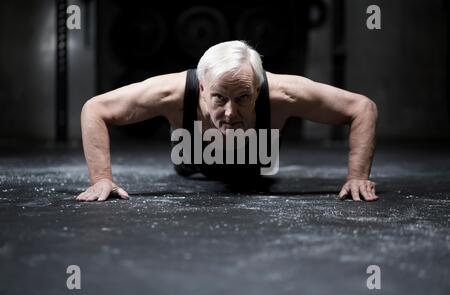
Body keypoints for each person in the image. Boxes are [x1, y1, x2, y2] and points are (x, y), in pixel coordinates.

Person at [76, 40, 378, 202]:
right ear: (203, 89)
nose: (231, 113)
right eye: (219, 98)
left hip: (256, 166)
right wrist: (101, 178)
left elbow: (362, 108)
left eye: (243, 98)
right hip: (192, 162)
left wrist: (357, 176)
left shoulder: (284, 94)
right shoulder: (172, 92)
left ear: (258, 90)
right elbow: (95, 109)